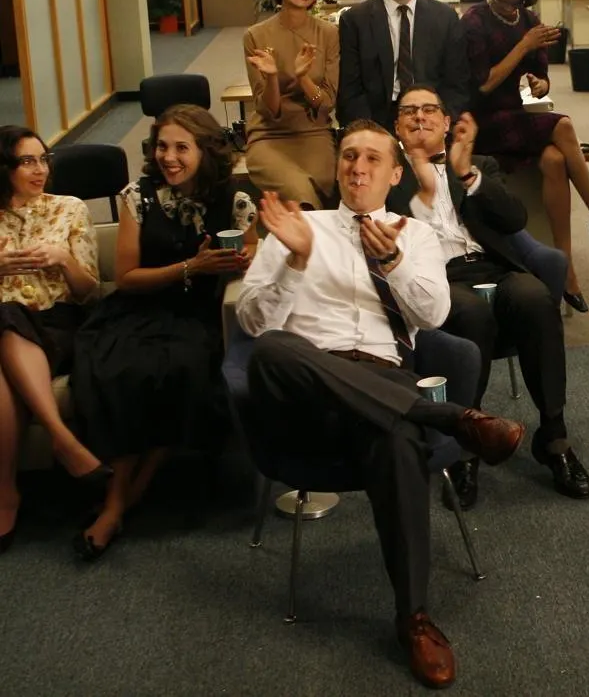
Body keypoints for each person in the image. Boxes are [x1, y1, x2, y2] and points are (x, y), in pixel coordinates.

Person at [237, 121, 526, 691]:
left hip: (382, 382)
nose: (358, 166)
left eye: (372, 158)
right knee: (272, 350)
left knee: (396, 436)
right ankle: (450, 418)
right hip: (306, 386)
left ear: (395, 175)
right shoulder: (300, 227)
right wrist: (295, 261)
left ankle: (414, 618)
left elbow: (435, 316)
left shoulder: (416, 235)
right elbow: (252, 323)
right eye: (349, 155)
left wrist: (393, 262)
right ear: (337, 167)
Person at [387, 84, 589, 503]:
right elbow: (386, 233)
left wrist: (467, 175)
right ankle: (467, 443)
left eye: (429, 109)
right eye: (409, 111)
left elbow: (515, 219)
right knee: (473, 314)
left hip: (492, 266)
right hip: (436, 277)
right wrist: (420, 185)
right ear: (397, 127)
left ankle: (553, 436)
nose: (420, 117)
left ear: (447, 122)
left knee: (536, 297)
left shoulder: (480, 164)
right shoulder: (389, 175)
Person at [72, 106, 257, 561]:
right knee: (119, 368)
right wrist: (192, 265)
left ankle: (121, 498)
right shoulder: (138, 196)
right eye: (161, 146)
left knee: (181, 367)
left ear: (205, 150)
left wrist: (241, 261)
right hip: (138, 308)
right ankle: (121, 499)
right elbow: (127, 277)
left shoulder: (235, 199)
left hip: (197, 315)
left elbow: (252, 255)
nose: (168, 157)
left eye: (181, 148)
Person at [460, 0, 589, 313]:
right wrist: (523, 46)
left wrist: (539, 83)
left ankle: (568, 272)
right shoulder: (474, 22)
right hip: (484, 122)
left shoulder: (528, 20)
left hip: (517, 116)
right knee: (563, 125)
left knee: (556, 160)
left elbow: (542, 79)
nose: (507, 5)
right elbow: (483, 85)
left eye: (514, 0)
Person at [0, 127, 108, 554]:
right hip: (4, 327)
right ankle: (60, 440)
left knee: (7, 321)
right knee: (5, 319)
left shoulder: (69, 208)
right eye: (27, 161)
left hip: (58, 323)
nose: (40, 169)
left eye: (43, 159)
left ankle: (6, 494)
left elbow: (89, 293)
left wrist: (63, 260)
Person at [337, 0, 471, 132]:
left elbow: (457, 87)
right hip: (376, 122)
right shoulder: (354, 21)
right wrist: (372, 135)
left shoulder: (445, 19)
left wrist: (439, 127)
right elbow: (350, 93)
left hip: (430, 120)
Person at [243, 0, 339, 209]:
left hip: (314, 132)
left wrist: (303, 78)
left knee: (322, 183)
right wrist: (272, 77)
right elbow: (268, 111)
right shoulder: (255, 36)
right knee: (300, 191)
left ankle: (295, 234)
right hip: (269, 135)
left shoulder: (329, 34)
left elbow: (326, 104)